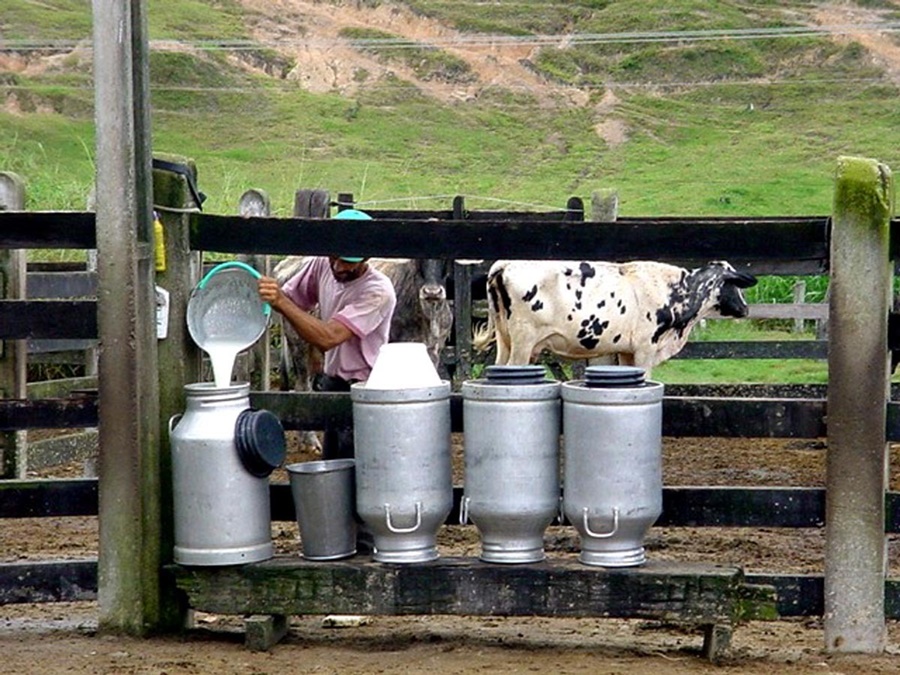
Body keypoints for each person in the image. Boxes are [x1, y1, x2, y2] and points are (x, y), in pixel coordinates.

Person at [257, 210, 397, 460]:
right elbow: (292, 298)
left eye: (349, 261)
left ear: (367, 257)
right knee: (334, 461)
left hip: (366, 387)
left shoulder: (378, 291)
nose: (339, 266)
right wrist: (276, 297)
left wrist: (281, 302)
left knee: (361, 463)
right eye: (335, 256)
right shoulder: (322, 264)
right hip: (333, 382)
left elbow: (329, 337)